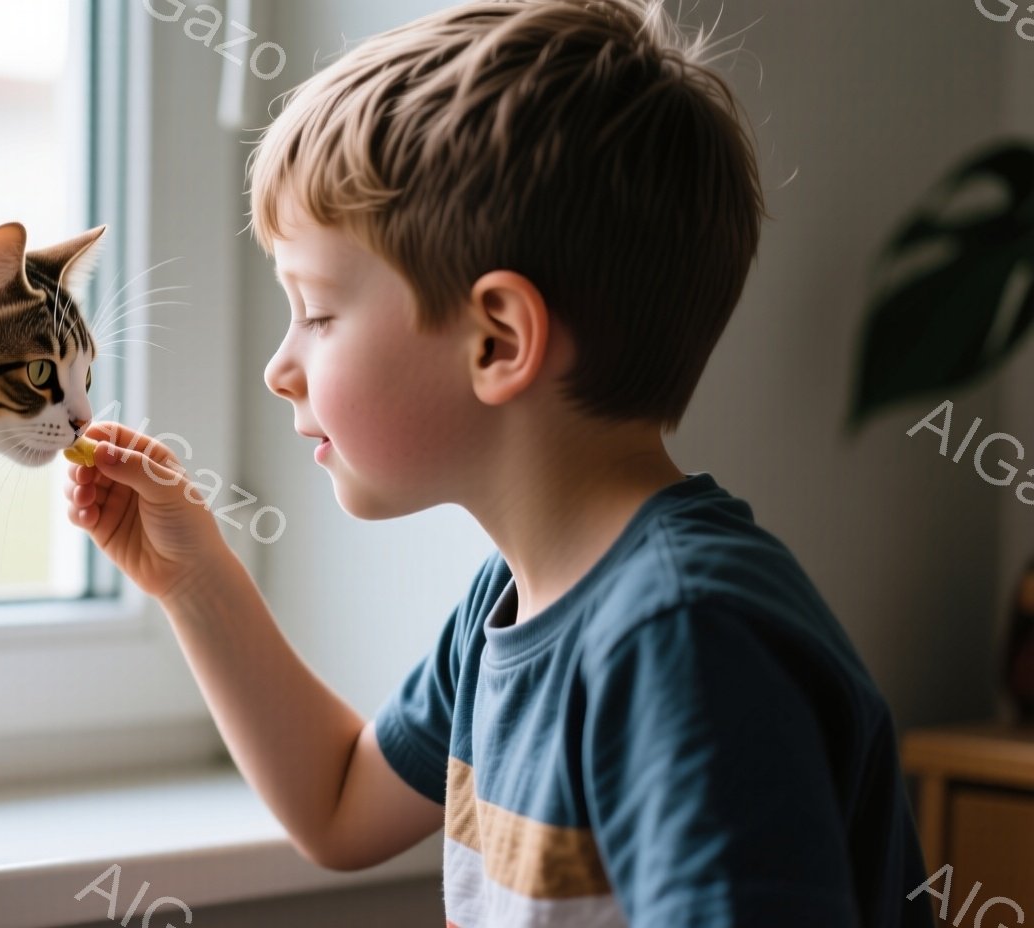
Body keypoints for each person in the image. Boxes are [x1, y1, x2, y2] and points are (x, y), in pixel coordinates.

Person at [64, 1, 933, 924]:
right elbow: (338, 803)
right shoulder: (508, 602)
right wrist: (194, 578)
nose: (280, 369)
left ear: (499, 340)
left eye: (316, 312)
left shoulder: (685, 640)